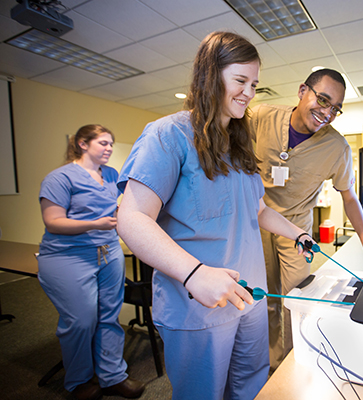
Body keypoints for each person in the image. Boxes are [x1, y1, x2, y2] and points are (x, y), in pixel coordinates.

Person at [116, 31, 315, 400]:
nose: (249, 92)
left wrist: (298, 233)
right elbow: (131, 219)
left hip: (249, 299)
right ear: (210, 76)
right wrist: (195, 273)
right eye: (240, 80)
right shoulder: (167, 136)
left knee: (251, 388)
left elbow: (257, 210)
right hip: (198, 308)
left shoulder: (239, 146)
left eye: (254, 84)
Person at [250, 68, 363, 371]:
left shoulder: (337, 148)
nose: (327, 112)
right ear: (302, 91)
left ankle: (293, 365)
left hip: (296, 230)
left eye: (335, 108)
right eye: (322, 100)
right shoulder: (261, 117)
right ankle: (271, 364)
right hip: (254, 222)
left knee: (297, 301)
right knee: (263, 298)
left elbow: (349, 198)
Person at [37, 125, 145, 400]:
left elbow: (117, 208)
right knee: (82, 321)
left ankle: (112, 376)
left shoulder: (110, 175)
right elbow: (53, 222)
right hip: (68, 255)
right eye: (103, 143)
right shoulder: (59, 178)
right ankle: (78, 381)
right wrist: (96, 223)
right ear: (82, 144)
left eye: (111, 143)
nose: (109, 148)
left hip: (108, 253)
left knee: (109, 316)